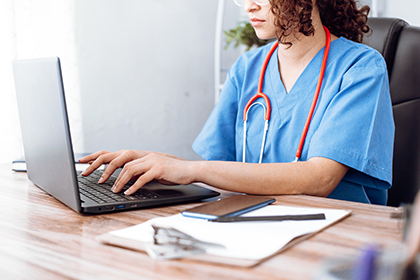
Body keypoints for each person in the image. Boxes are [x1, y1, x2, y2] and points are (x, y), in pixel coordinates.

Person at [79, 0, 394, 205]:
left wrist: (190, 170)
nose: (248, 6)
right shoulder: (247, 68)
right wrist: (152, 160)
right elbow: (219, 168)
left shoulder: (361, 67)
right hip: (255, 225)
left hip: (339, 237)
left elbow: (319, 178)